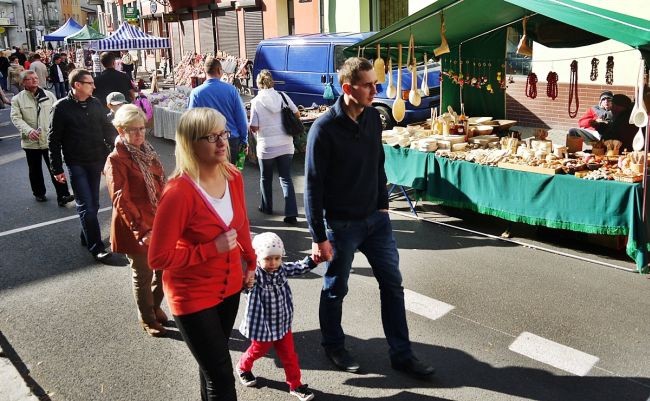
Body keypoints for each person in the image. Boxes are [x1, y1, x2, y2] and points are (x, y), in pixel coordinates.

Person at [304, 57, 435, 378]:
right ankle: (334, 345)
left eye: (376, 83)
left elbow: (378, 162)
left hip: (376, 222)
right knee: (336, 288)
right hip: (340, 225)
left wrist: (382, 205)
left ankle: (401, 354)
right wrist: (318, 236)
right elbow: (312, 187)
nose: (375, 89)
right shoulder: (323, 130)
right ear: (348, 88)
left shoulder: (374, 119)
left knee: (393, 285)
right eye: (369, 85)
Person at [148, 107, 256, 401]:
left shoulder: (232, 176)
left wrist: (251, 262)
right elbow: (158, 258)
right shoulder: (178, 193)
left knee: (211, 365)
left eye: (223, 133)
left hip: (230, 286)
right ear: (191, 143)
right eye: (211, 137)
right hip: (192, 293)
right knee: (221, 373)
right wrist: (211, 249)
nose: (222, 142)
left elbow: (241, 223)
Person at [104, 104, 168, 337]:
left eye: (141, 128)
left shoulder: (148, 151)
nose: (139, 134)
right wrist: (141, 230)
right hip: (136, 225)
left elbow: (161, 184)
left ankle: (154, 305)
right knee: (143, 273)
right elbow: (121, 199)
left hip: (158, 219)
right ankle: (147, 317)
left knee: (163, 269)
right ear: (121, 130)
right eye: (133, 130)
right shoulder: (115, 159)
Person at [48, 69, 118, 262]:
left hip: (96, 160)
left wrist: (118, 145)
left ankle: (86, 234)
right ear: (77, 85)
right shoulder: (61, 107)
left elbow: (107, 129)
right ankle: (96, 247)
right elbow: (53, 140)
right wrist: (57, 169)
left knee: (93, 204)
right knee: (86, 205)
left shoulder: (95, 103)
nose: (94, 86)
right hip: (76, 162)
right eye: (90, 83)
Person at [237, 232, 316, 401]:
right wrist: (246, 284)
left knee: (289, 355)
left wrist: (314, 259)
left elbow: (299, 267)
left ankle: (296, 385)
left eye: (277, 258)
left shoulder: (281, 269)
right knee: (258, 350)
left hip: (282, 323)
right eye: (268, 259)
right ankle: (243, 366)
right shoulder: (254, 275)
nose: (273, 263)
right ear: (257, 258)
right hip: (263, 326)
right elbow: (242, 286)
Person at [10, 70, 74, 205]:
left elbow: (58, 115)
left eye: (35, 78)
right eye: (30, 79)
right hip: (30, 141)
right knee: (35, 170)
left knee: (55, 167)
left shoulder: (49, 95)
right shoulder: (17, 99)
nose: (35, 80)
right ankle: (39, 193)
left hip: (48, 139)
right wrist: (28, 131)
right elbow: (16, 118)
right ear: (23, 83)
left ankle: (63, 195)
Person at [249, 69, 300, 224]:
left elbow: (254, 126)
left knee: (265, 178)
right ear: (272, 82)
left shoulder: (256, 101)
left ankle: (267, 207)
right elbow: (297, 114)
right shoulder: (282, 96)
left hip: (266, 146)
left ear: (258, 83)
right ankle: (291, 213)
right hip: (285, 144)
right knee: (285, 178)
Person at [188, 56, 248, 163]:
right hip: (231, 140)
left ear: (205, 72)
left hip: (207, 142)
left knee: (211, 176)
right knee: (233, 175)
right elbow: (241, 118)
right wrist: (244, 139)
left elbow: (191, 122)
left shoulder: (196, 93)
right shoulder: (231, 90)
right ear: (219, 70)